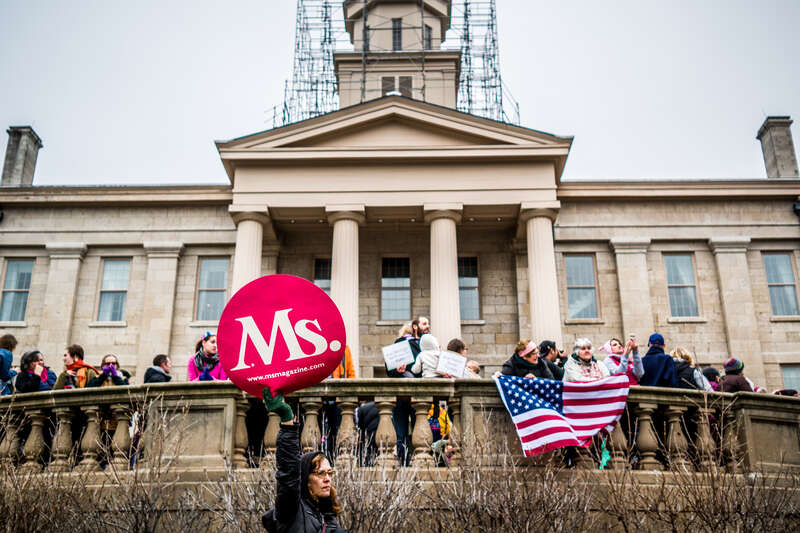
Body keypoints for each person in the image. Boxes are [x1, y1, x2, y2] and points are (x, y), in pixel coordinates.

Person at [261, 387, 342, 533]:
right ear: (306, 477)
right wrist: (287, 422)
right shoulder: (292, 510)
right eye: (320, 473)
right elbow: (288, 474)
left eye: (329, 473)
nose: (327, 479)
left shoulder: (326, 514)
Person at [356, 400, 379, 466]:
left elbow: (360, 425)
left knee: (366, 452)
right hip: (378, 434)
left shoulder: (362, 409)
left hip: (367, 434)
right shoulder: (378, 406)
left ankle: (365, 464)